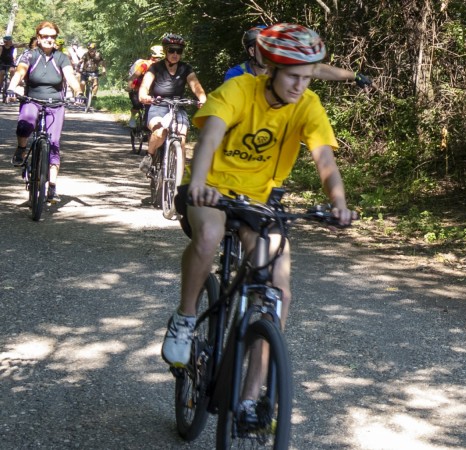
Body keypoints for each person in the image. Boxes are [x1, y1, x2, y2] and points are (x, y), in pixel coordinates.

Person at [161, 23, 356, 420]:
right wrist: (197, 183)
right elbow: (212, 135)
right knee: (210, 234)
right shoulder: (237, 91)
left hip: (259, 201)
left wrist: (339, 204)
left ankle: (250, 398)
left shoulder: (308, 104)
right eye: (293, 77)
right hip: (212, 188)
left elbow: (325, 159)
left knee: (278, 290)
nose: (300, 86)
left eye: (307, 77)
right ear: (271, 69)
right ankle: (183, 319)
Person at [6, 21, 84, 201]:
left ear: (56, 39)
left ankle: (52, 186)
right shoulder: (29, 55)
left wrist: (78, 92)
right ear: (38, 38)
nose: (49, 39)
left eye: (53, 36)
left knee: (54, 143)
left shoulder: (61, 58)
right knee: (25, 124)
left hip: (56, 104)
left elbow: (70, 77)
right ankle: (21, 149)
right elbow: (20, 72)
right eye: (45, 36)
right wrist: (11, 88)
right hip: (32, 100)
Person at [224, 25, 373, 91]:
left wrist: (354, 76)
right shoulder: (235, 74)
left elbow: (317, 70)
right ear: (251, 51)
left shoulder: (281, 66)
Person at [138, 33, 207, 173]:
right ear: (165, 51)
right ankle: (150, 155)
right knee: (160, 132)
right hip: (158, 105)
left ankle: (178, 183)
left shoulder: (186, 69)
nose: (175, 54)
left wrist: (203, 99)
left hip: (177, 107)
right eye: (171, 50)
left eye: (179, 51)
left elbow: (196, 86)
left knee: (181, 140)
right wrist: (144, 96)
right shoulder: (155, 68)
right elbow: (144, 86)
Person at [126, 45, 164, 128]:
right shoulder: (145, 65)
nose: (159, 60)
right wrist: (129, 86)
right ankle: (132, 117)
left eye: (161, 58)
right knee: (137, 105)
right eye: (158, 57)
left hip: (152, 89)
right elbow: (134, 76)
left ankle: (147, 125)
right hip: (137, 88)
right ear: (152, 56)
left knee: (152, 107)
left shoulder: (162, 67)